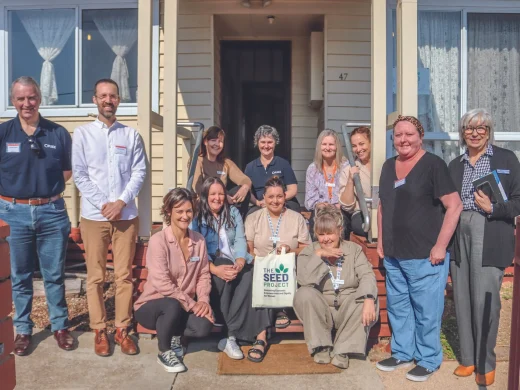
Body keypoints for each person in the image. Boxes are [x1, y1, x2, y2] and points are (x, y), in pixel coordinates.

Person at [375, 115, 462, 382]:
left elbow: (454, 206)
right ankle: (402, 352)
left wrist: (440, 246)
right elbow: (382, 205)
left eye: (409, 134)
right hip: (394, 255)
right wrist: (381, 240)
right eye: (398, 135)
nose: (403, 140)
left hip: (426, 255)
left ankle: (428, 359)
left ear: (420, 137)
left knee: (426, 311)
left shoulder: (433, 165)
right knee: (400, 308)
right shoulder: (389, 166)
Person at [0, 76, 74, 355]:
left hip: (51, 212)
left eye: (31, 97)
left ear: (40, 98)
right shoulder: (4, 134)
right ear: (13, 101)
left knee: (54, 274)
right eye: (20, 99)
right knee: (19, 275)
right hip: (13, 213)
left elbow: (67, 171)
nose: (26, 103)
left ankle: (60, 326)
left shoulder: (57, 134)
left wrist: (44, 193)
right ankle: (23, 330)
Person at [72, 79, 146, 356]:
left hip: (125, 216)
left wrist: (121, 202)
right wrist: (105, 205)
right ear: (95, 100)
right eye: (103, 96)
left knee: (124, 276)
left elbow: (139, 172)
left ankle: (122, 329)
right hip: (94, 217)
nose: (108, 100)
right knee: (96, 277)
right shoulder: (82, 134)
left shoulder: (130, 135)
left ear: (118, 100)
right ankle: (99, 330)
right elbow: (80, 175)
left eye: (112, 96)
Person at [448, 109, 520, 386]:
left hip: (490, 229)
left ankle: (486, 364)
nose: (475, 133)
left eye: (481, 128)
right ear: (462, 132)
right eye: (469, 128)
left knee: (485, 301)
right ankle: (468, 359)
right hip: (459, 232)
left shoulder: (506, 159)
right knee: (463, 299)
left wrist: (494, 208)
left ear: (489, 131)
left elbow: (518, 200)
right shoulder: (455, 165)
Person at [190, 177, 272, 361]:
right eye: (213, 194)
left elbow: (240, 240)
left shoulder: (232, 212)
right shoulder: (197, 217)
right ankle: (229, 335)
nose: (217, 198)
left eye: (220, 193)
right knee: (223, 271)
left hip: (234, 260)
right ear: (205, 195)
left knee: (250, 275)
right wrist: (214, 269)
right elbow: (196, 250)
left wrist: (241, 260)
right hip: (211, 265)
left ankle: (231, 334)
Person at [134, 188, 213, 373]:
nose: (185, 216)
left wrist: (203, 301)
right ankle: (164, 351)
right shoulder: (158, 240)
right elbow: (162, 284)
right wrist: (192, 304)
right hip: (152, 307)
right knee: (171, 304)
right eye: (179, 211)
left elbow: (203, 274)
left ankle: (176, 334)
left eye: (188, 211)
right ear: (169, 211)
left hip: (184, 306)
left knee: (204, 326)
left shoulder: (199, 241)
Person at [294, 205, 377, 369]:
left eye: (330, 233)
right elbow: (304, 281)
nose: (325, 239)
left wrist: (368, 298)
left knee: (366, 298)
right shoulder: (309, 251)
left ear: (340, 231)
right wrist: (319, 256)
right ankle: (322, 346)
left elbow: (367, 275)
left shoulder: (354, 250)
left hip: (347, 308)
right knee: (304, 293)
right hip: (321, 310)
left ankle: (342, 350)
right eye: (321, 234)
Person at [245, 176, 311, 331]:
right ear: (264, 198)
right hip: (260, 266)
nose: (275, 201)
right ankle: (267, 319)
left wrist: (290, 251)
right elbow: (248, 248)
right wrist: (260, 263)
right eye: (271, 196)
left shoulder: (296, 218)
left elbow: (306, 248)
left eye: (279, 196)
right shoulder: (253, 218)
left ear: (285, 197)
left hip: (286, 267)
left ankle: (282, 309)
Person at [192, 126, 252, 218]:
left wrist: (245, 187)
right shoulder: (198, 161)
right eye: (213, 140)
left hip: (221, 203)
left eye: (220, 141)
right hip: (204, 204)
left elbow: (244, 179)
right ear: (205, 142)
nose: (217, 144)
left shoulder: (226, 163)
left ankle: (237, 222)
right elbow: (197, 188)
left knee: (244, 191)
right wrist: (222, 197)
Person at [244, 125, 299, 216]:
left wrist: (275, 200)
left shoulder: (283, 164)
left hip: (283, 204)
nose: (266, 146)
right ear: (257, 143)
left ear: (275, 143)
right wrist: (258, 202)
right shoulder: (250, 167)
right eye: (263, 142)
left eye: (270, 142)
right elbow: (247, 192)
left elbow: (293, 189)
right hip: (260, 205)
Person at [305, 129, 350, 239]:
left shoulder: (345, 166)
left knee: (343, 224)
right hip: (321, 210)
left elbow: (349, 195)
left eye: (331, 144)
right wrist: (319, 205)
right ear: (319, 147)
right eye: (324, 144)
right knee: (315, 222)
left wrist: (339, 205)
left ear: (337, 147)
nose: (328, 148)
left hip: (340, 209)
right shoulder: (312, 169)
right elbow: (309, 200)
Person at [339, 127, 372, 237]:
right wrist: (350, 179)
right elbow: (346, 205)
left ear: (371, 142)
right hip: (363, 213)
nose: (358, 149)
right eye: (354, 146)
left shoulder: (385, 164)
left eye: (362, 144)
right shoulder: (348, 169)